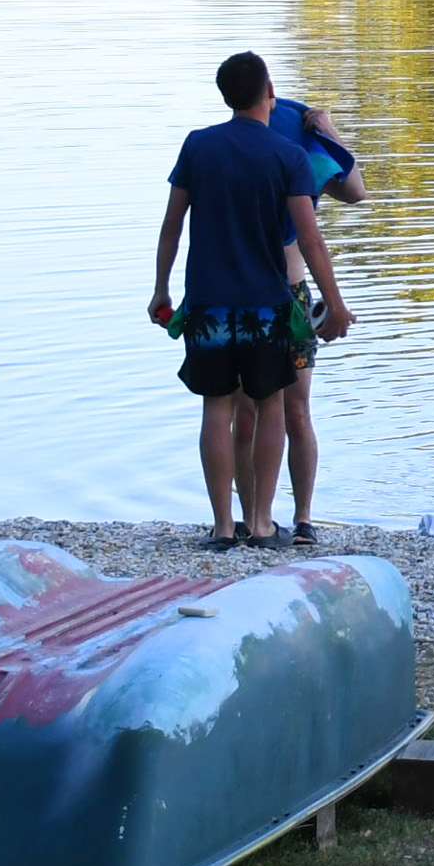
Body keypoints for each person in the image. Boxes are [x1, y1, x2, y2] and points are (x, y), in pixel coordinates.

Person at [152, 53, 354, 549]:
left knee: (216, 411)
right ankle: (263, 523)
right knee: (271, 407)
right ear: (270, 92)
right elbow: (310, 239)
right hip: (267, 304)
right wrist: (335, 302)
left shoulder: (198, 146)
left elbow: (173, 224)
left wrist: (161, 289)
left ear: (226, 96)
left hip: (207, 305)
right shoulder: (286, 155)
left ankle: (224, 527)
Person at [265, 96, 369, 544]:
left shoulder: (292, 156)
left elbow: (354, 191)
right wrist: (327, 131)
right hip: (276, 294)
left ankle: (287, 517)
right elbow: (356, 192)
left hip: (281, 296)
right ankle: (274, 517)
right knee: (279, 410)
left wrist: (330, 135)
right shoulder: (282, 151)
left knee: (280, 410)